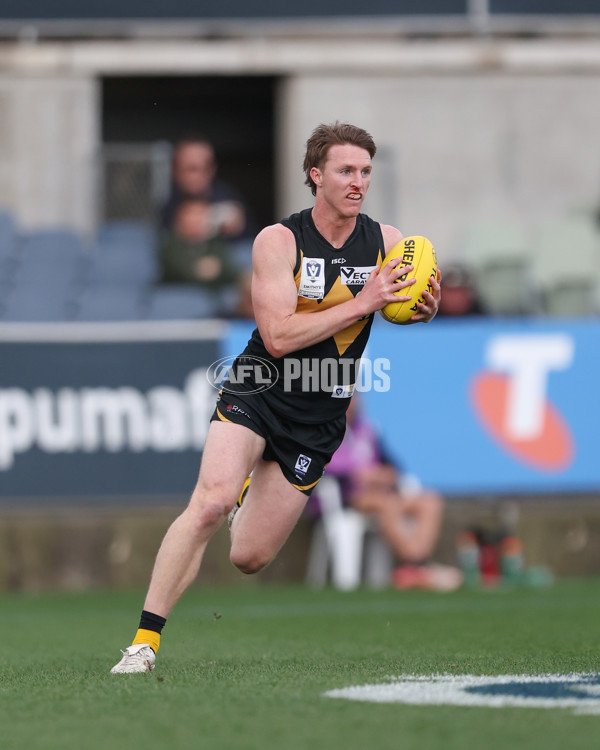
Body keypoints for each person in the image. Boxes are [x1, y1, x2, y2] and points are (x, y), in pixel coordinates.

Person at [110, 121, 441, 674]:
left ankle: (246, 489)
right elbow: (280, 336)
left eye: (364, 171)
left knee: (249, 557)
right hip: (258, 388)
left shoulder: (386, 242)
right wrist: (365, 301)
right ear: (316, 175)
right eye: (344, 170)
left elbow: (396, 306)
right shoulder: (278, 241)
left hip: (318, 412)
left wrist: (418, 310)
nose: (357, 181)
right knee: (210, 501)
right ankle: (144, 643)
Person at [318, 396, 462, 591]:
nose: (353, 404)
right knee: (388, 504)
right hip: (351, 496)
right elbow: (320, 465)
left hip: (383, 491)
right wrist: (356, 474)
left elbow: (392, 467)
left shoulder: (367, 430)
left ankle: (415, 567)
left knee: (430, 501)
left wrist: (383, 475)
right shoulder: (323, 429)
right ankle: (420, 567)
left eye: (355, 399)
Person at [160, 137, 252, 241]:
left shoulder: (226, 195)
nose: (194, 177)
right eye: (189, 169)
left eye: (202, 168)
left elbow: (237, 223)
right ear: (175, 169)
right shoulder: (166, 197)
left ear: (212, 169)